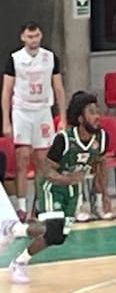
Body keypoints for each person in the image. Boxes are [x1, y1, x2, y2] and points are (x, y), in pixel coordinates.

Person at [7, 91, 106, 285]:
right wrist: (67, 179)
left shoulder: (101, 139)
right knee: (53, 231)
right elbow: (46, 171)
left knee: (58, 237)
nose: (98, 116)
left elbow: (99, 164)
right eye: (92, 112)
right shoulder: (64, 139)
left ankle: (17, 230)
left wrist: (102, 194)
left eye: (98, 111)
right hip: (51, 187)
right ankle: (18, 263)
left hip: (72, 190)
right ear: (80, 118)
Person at [2, 21, 68, 221]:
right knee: (22, 159)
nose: (33, 40)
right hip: (22, 112)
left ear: (41, 36)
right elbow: (6, 91)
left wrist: (62, 117)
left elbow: (59, 89)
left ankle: (39, 206)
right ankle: (21, 208)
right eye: (29, 37)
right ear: (23, 38)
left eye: (36, 36)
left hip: (43, 111)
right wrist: (6, 121)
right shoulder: (14, 59)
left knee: (43, 162)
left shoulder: (50, 58)